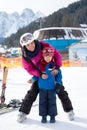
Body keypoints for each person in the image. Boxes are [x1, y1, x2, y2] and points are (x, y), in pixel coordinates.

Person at [17, 33, 74, 123]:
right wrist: (39, 74)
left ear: (34, 41)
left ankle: (69, 111)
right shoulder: (25, 56)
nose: (31, 46)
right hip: (40, 76)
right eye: (28, 45)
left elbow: (56, 54)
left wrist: (57, 67)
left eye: (32, 43)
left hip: (52, 73)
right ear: (24, 46)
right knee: (31, 93)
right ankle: (23, 113)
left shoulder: (44, 45)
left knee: (61, 91)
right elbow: (29, 69)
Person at [29, 46, 62, 123]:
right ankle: (43, 116)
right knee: (42, 102)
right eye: (46, 56)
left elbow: (59, 76)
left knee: (52, 102)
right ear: (43, 56)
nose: (48, 58)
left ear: (52, 56)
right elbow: (36, 75)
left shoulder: (54, 66)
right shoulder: (39, 66)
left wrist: (58, 84)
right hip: (42, 88)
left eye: (49, 56)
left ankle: (52, 116)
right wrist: (33, 79)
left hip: (52, 88)